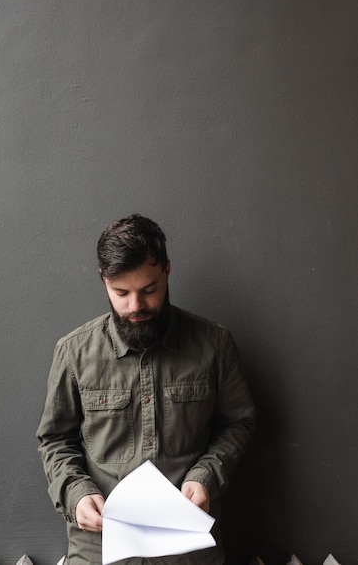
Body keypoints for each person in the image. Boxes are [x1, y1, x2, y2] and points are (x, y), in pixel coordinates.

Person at [37, 214, 255, 565]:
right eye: (121, 293)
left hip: (188, 547)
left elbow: (238, 424)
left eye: (149, 290)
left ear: (167, 271)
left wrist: (206, 478)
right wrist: (77, 494)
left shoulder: (215, 344)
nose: (135, 306)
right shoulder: (73, 352)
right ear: (103, 281)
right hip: (100, 547)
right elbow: (55, 440)